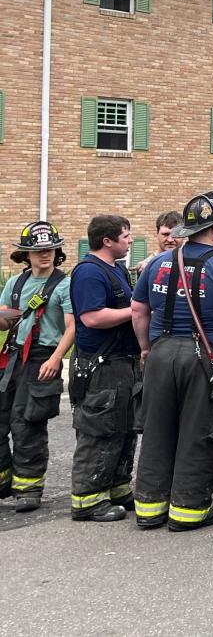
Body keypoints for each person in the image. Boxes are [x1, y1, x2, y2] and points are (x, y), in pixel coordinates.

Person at [131, 191, 213, 530]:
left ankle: (149, 508)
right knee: (198, 430)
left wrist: (146, 349)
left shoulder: (159, 263)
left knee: (158, 430)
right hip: (206, 359)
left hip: (161, 354)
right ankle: (188, 509)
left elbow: (138, 310)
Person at [67, 214, 141, 522]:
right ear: (107, 241)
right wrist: (134, 310)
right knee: (99, 429)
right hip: (100, 366)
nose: (130, 241)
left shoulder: (117, 269)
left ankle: (118, 488)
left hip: (122, 363)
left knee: (124, 428)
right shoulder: (89, 273)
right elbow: (92, 318)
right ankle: (87, 499)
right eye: (126, 236)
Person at [0, 221, 75, 513]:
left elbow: (73, 327)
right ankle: (4, 480)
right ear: (26, 255)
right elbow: (6, 319)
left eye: (50, 249)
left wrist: (56, 359)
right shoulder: (15, 284)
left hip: (43, 357)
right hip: (13, 358)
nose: (45, 254)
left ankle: (28, 488)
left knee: (27, 424)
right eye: (38, 250)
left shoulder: (64, 284)